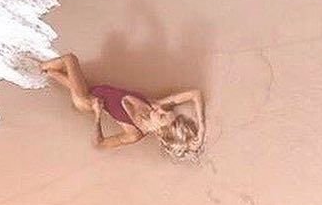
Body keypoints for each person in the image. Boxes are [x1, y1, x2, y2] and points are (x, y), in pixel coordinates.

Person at [40, 53, 205, 159]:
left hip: (86, 101)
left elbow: (99, 144)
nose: (161, 109)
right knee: (53, 73)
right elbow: (195, 94)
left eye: (162, 116)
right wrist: (201, 128)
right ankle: (40, 72)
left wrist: (97, 115)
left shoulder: (134, 133)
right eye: (165, 111)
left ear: (159, 132)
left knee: (70, 59)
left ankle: (35, 66)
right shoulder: (155, 105)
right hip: (93, 89)